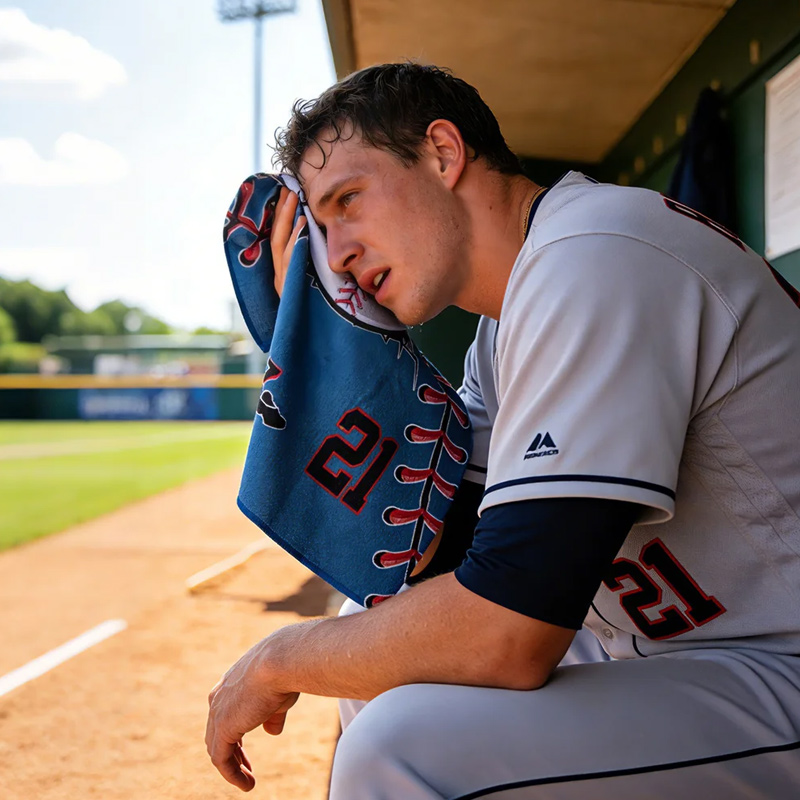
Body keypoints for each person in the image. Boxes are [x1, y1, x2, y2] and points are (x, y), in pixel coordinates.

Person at [205, 63, 800, 798]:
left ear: (443, 153)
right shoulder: (504, 324)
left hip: (781, 661)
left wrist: (279, 658)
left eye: (349, 200)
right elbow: (424, 558)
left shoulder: (596, 256)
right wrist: (330, 361)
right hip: (700, 655)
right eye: (322, 233)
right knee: (374, 649)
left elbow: (508, 634)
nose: (338, 255)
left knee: (400, 748)